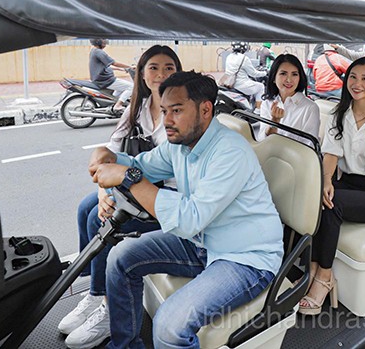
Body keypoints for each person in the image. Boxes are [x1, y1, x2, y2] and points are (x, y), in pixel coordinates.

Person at [88, 71, 283, 349]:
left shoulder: (230, 152)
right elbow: (141, 166)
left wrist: (129, 178)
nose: (167, 120)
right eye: (165, 111)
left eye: (177, 110)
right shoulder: (179, 144)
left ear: (205, 110)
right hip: (201, 242)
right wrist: (110, 156)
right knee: (120, 257)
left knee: (169, 326)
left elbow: (189, 218)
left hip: (244, 257)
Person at [60, 45, 183, 349]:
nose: (161, 74)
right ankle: (96, 293)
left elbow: (169, 171)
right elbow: (111, 153)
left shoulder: (181, 114)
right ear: (142, 73)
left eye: (169, 68)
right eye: (154, 67)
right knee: (87, 207)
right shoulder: (137, 107)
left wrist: (118, 183)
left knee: (99, 219)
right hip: (139, 181)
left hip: (166, 195)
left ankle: (107, 308)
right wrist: (104, 191)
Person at [299, 58, 365, 316]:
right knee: (317, 196)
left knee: (333, 205)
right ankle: (312, 267)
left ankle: (324, 276)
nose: (357, 83)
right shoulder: (340, 113)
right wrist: (326, 181)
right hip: (347, 183)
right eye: (353, 77)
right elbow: (331, 153)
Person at [257, 53, 321, 147]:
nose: (289, 80)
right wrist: (274, 122)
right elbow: (262, 140)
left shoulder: (310, 108)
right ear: (274, 78)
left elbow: (309, 146)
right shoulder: (267, 104)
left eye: (294, 74)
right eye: (283, 74)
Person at [89, 38, 134, 112]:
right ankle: (118, 105)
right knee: (132, 87)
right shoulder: (99, 52)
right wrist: (130, 67)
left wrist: (120, 69)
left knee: (121, 88)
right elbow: (114, 63)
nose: (105, 42)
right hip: (105, 80)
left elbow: (105, 66)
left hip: (100, 79)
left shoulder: (94, 50)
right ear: (98, 41)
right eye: (103, 40)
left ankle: (113, 103)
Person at [225, 41, 265, 108]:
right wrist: (264, 73)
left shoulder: (229, 56)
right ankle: (258, 110)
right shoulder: (244, 58)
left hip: (230, 83)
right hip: (241, 85)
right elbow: (253, 73)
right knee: (261, 86)